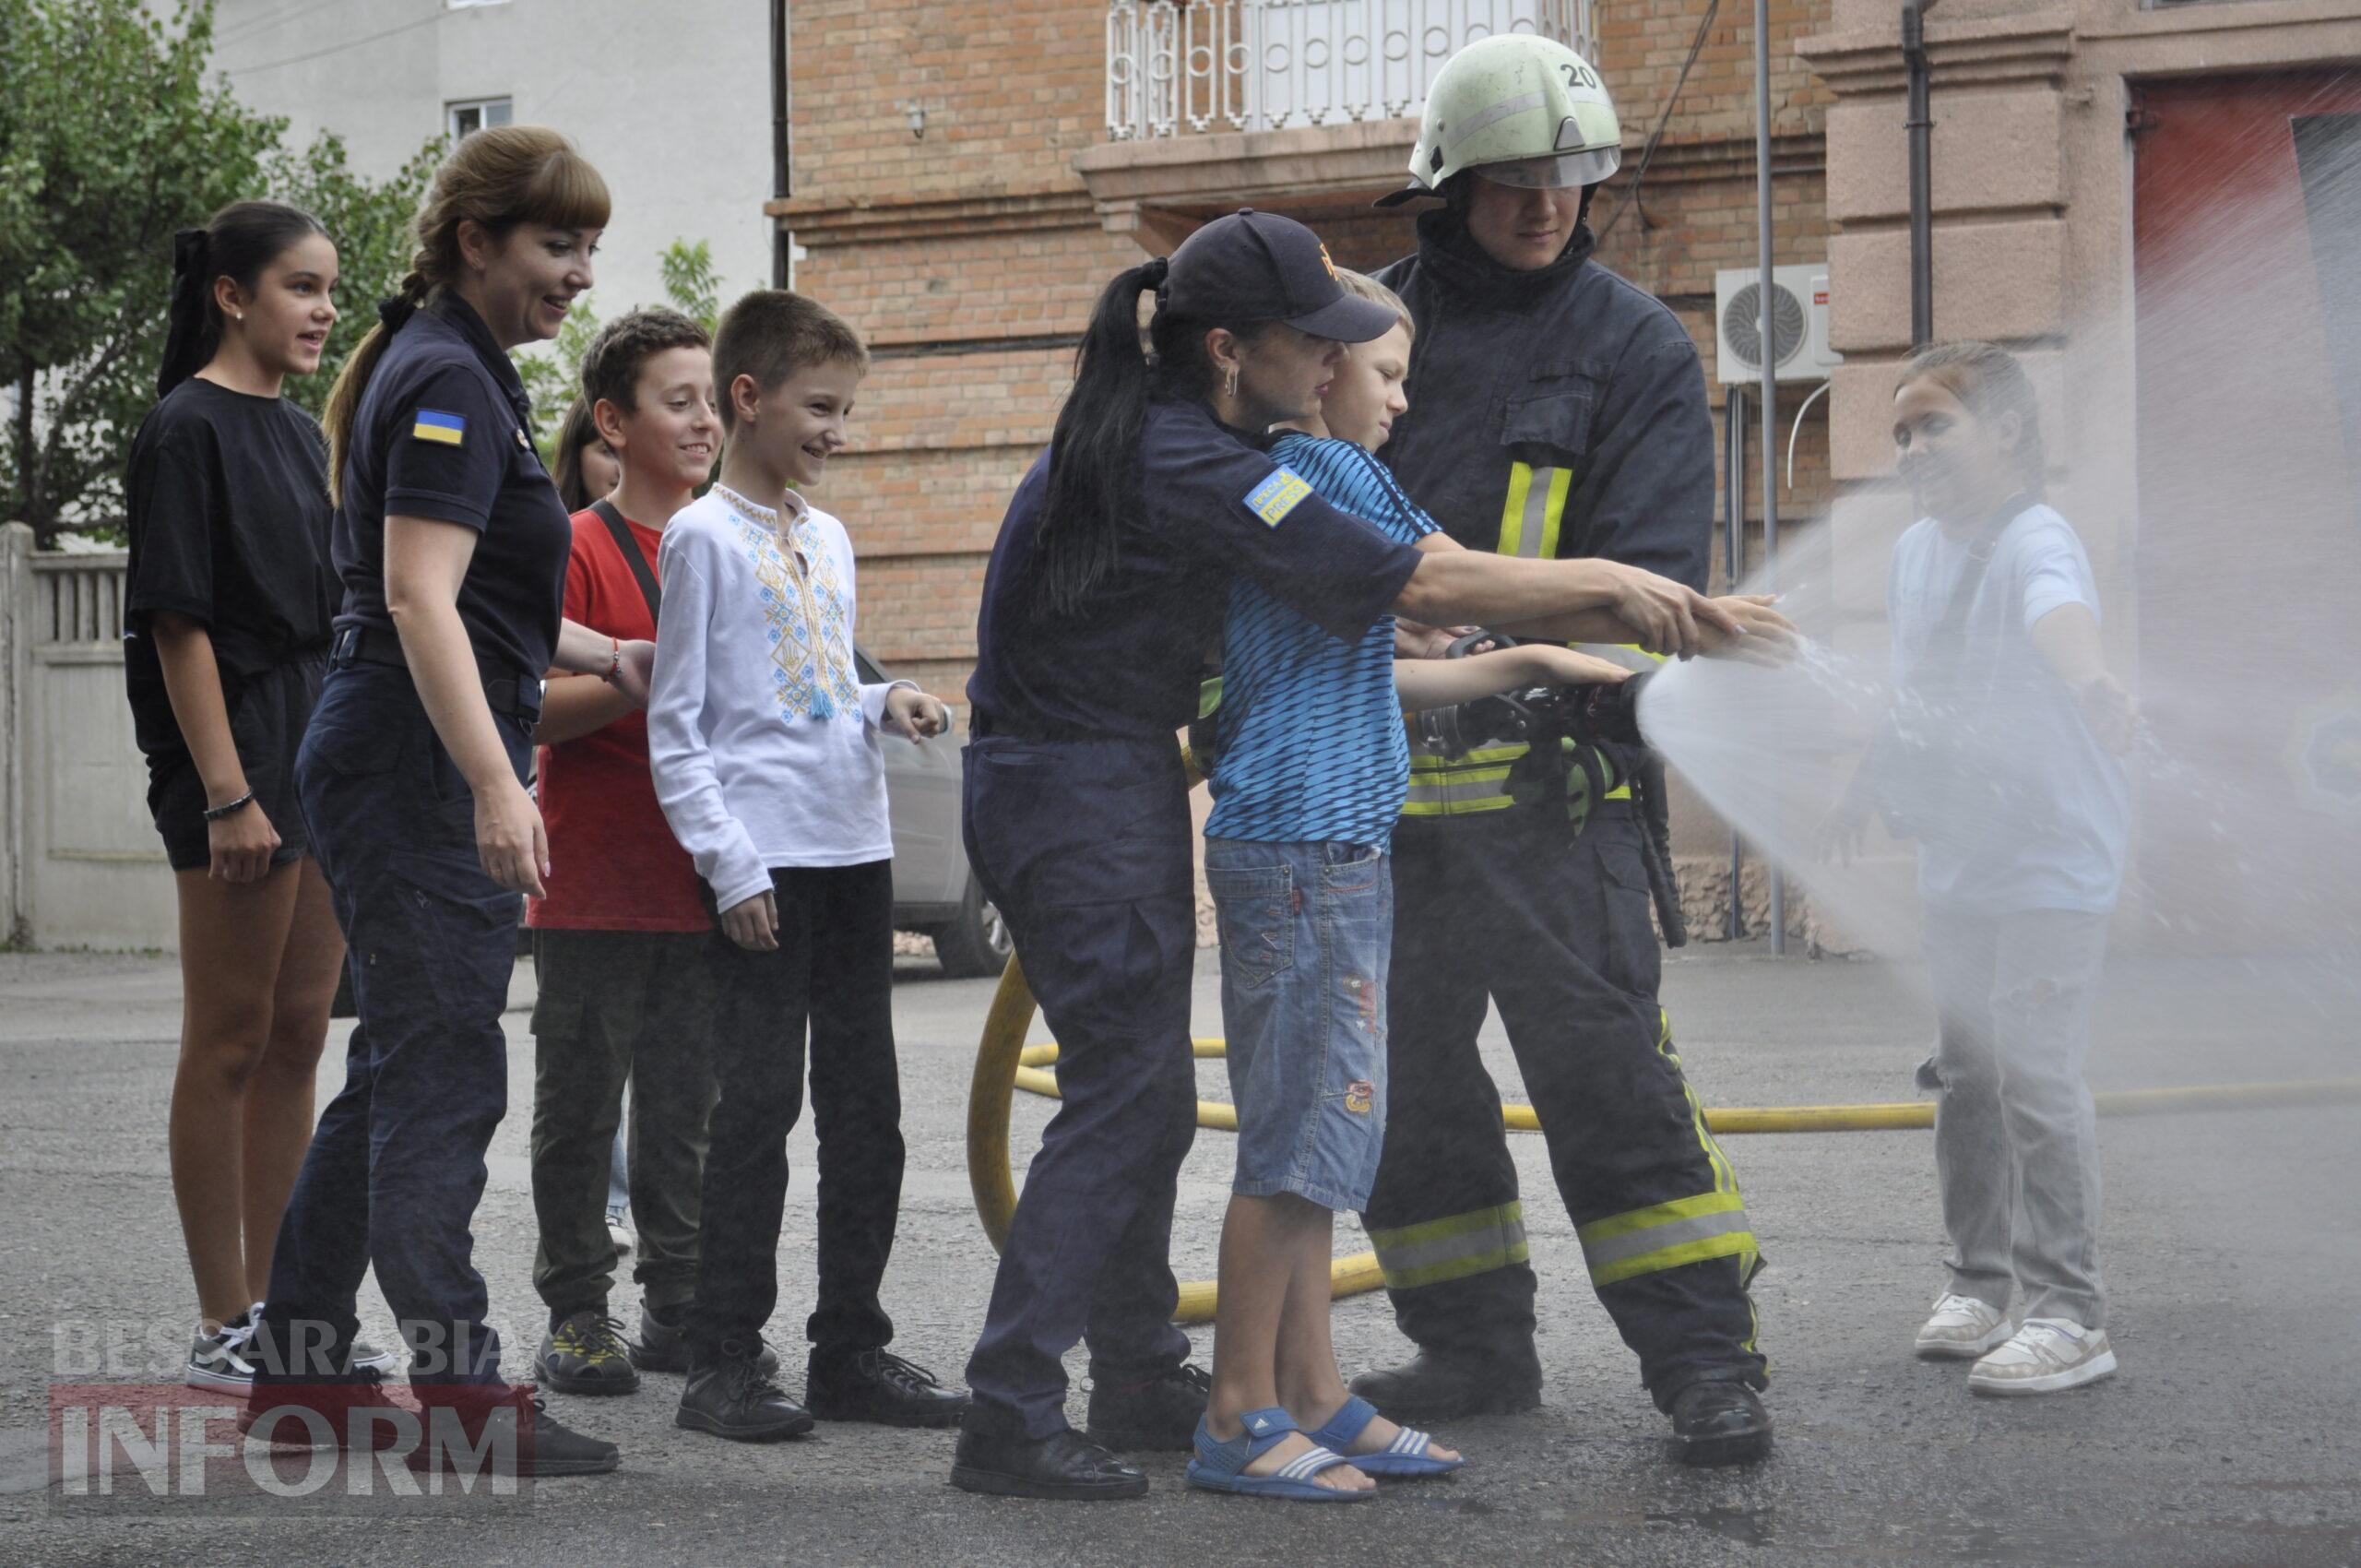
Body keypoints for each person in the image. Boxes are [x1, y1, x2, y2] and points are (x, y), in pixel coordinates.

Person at [950, 208, 1761, 1503]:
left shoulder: (1211, 440)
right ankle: (1018, 1406)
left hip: (1099, 778)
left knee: (1168, 1102)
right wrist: (1609, 589)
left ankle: (1153, 1374)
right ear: (1232, 349)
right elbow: (1418, 583)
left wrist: (1555, 642)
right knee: (1138, 1102)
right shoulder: (1212, 463)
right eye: (1315, 346)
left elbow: (1380, 623)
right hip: (1076, 785)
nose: (1337, 370)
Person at [1352, 33, 1775, 1467]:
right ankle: (1469, 1345)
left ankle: (1706, 1361)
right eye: (1517, 182)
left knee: (1609, 1082)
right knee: (1402, 1095)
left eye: (1575, 178)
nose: (1549, 208)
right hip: (1375, 798)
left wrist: (1520, 670)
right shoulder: (1368, 335)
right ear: (1448, 184)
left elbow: (1649, 578)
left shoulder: (1634, 345)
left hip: (1554, 798)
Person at [1192, 267, 1682, 1502]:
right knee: (1300, 1145)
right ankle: (1239, 1410)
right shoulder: (1325, 474)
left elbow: (1375, 668)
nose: (1405, 402)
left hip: (1322, 847)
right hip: (1306, 848)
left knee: (1321, 1140)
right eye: (1387, 374)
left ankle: (1312, 1392)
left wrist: (1518, 660)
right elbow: (1436, 578)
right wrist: (1619, 590)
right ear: (1316, 365)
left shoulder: (1282, 483)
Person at [243, 125, 647, 1479]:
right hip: (413, 760)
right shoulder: (445, 383)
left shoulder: (451, 365)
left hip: (398, 741)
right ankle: (463, 1397)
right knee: (447, 1074)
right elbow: (415, 596)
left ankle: (297, 1378)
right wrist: (495, 783)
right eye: (554, 244)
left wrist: (605, 654)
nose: (579, 271)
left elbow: (468, 595)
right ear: (477, 243)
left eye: (588, 245)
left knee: (396, 1073)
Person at [646, 288, 969, 1443]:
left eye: (846, 409)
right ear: (749, 397)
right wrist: (729, 867)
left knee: (865, 1112)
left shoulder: (825, 537)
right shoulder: (700, 538)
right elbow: (678, 725)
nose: (838, 429)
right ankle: (722, 1360)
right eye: (820, 407)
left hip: (854, 851)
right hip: (767, 867)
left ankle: (852, 1349)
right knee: (756, 1111)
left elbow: (820, 686)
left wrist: (889, 699)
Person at [1824, 341, 2133, 1396]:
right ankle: (1978, 1277)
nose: (1911, 446)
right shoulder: (1918, 551)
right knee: (1967, 1076)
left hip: (2050, 859)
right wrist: (1867, 779)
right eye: (1901, 430)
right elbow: (1921, 687)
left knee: (2036, 1075)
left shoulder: (2036, 537)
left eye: (1934, 425)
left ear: (2005, 430)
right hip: (1964, 859)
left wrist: (2091, 679)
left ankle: (2069, 1310)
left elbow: (2057, 612)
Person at [124, 200, 391, 1391]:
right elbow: (177, 624)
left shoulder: (301, 432)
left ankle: (289, 1307)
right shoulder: (186, 428)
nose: (325, 309)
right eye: (301, 286)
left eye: (331, 289)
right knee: (227, 1038)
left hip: (315, 749)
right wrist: (228, 794)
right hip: (232, 759)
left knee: (296, 1036)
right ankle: (221, 1318)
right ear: (232, 295)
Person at [526, 308, 725, 1397]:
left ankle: (679, 1304)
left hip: (701, 884)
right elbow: (525, 708)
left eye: (711, 397)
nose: (704, 419)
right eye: (677, 400)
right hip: (595, 881)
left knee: (686, 1111)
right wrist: (628, 676)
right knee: (580, 1106)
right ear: (613, 419)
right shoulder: (575, 544)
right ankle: (577, 1311)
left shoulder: (733, 538)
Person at [552, 395, 622, 513]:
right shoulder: (545, 528)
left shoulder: (662, 528)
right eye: (609, 451)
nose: (623, 469)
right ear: (576, 454)